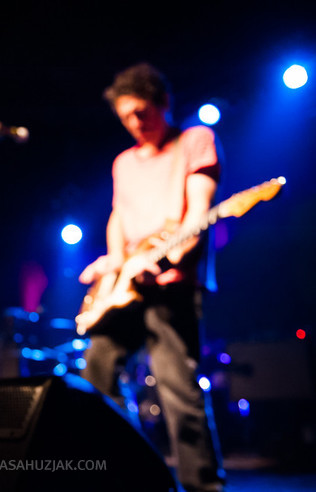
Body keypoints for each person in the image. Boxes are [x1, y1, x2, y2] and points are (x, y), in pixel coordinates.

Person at [76, 63, 225, 492]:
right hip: (127, 289)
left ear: (163, 103)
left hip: (173, 287)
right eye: (126, 117)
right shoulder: (123, 162)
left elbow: (200, 216)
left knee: (179, 391)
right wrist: (112, 263)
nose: (135, 123)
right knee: (96, 377)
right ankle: (125, 475)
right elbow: (118, 219)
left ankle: (204, 487)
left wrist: (160, 262)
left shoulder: (195, 140)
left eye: (142, 112)